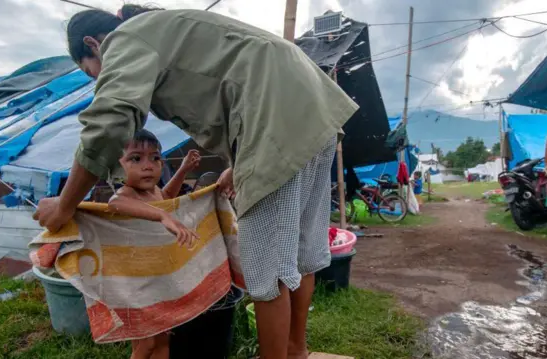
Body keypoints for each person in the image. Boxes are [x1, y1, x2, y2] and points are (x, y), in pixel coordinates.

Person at [33, 5, 358, 359]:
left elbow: (109, 124)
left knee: (267, 272)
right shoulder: (166, 28)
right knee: (299, 255)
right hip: (314, 109)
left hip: (273, 118)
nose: (96, 79)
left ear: (93, 45)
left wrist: (64, 205)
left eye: (88, 71)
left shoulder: (126, 39)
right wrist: (238, 161)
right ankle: (296, 351)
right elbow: (236, 85)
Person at [106, 129, 200, 359]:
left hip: (158, 280)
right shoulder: (126, 194)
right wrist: (161, 216)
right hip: (136, 286)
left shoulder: (154, 191)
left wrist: (184, 170)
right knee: (145, 345)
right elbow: (114, 203)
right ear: (117, 167)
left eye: (155, 158)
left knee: (163, 341)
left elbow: (166, 199)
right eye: (135, 158)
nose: (148, 165)